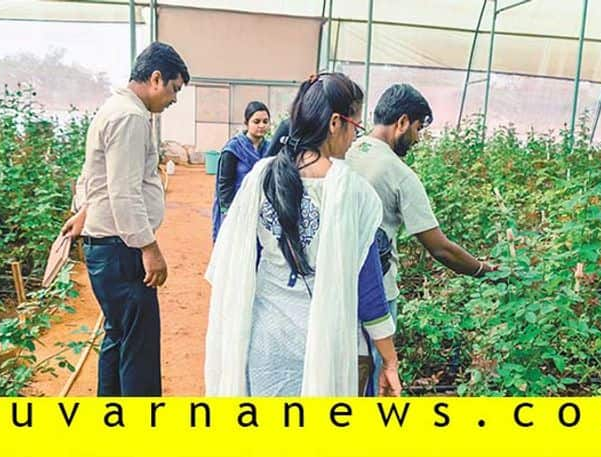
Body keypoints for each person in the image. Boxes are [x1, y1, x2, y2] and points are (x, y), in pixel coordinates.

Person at [205, 73, 402, 397]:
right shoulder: (352, 191)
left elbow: (239, 266)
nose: (355, 136)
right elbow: (368, 289)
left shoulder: (262, 177)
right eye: (356, 125)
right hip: (326, 348)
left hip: (266, 343)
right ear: (336, 122)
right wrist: (389, 359)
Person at [345, 83, 496, 393]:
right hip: (378, 290)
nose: (417, 139)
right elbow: (440, 249)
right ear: (401, 122)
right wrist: (483, 270)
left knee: (344, 369)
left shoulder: (343, 151)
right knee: (374, 373)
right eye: (416, 128)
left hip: (336, 284)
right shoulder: (399, 173)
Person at [60, 42, 189, 396]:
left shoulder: (115, 109)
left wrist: (86, 212)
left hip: (109, 245)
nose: (174, 100)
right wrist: (149, 247)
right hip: (122, 249)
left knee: (119, 335)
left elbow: (98, 177)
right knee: (139, 348)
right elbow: (124, 192)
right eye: (174, 89)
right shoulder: (130, 117)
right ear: (156, 78)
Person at [212, 101, 271, 240]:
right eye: (256, 121)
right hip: (236, 209)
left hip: (260, 210)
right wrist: (228, 213)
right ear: (247, 123)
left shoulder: (270, 149)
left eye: (265, 121)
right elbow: (224, 185)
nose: (261, 125)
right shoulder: (233, 149)